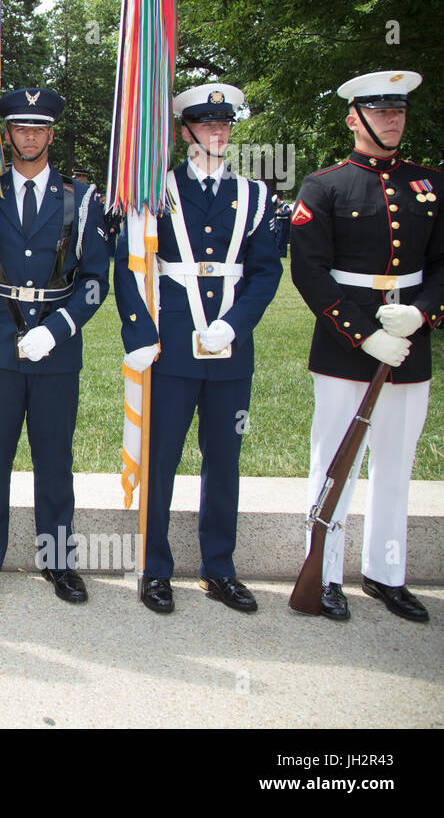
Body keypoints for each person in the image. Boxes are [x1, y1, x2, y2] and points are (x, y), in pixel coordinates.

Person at [115, 83, 282, 614]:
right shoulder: (154, 190)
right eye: (207, 124)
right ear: (185, 131)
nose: (217, 133)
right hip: (173, 346)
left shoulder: (255, 194)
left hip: (230, 349)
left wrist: (234, 325)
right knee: (160, 459)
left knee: (224, 459)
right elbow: (129, 267)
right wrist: (141, 335)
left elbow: (264, 271)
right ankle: (155, 568)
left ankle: (219, 567)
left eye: (224, 124)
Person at [0, 88, 111, 606]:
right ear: (9, 135)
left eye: (39, 129)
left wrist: (59, 329)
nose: (30, 137)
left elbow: (94, 280)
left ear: (51, 135)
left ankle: (58, 561)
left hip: (57, 348)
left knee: (55, 459)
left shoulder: (81, 199)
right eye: (21, 128)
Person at [290, 70, 442, 623]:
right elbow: (309, 271)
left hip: (410, 343)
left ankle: (387, 572)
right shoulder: (325, 185)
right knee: (334, 463)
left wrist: (422, 313)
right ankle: (325, 573)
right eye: (380, 112)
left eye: (398, 111)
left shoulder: (430, 183)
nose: (393, 119)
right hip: (345, 345)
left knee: (397, 464)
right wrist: (365, 334)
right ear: (354, 118)